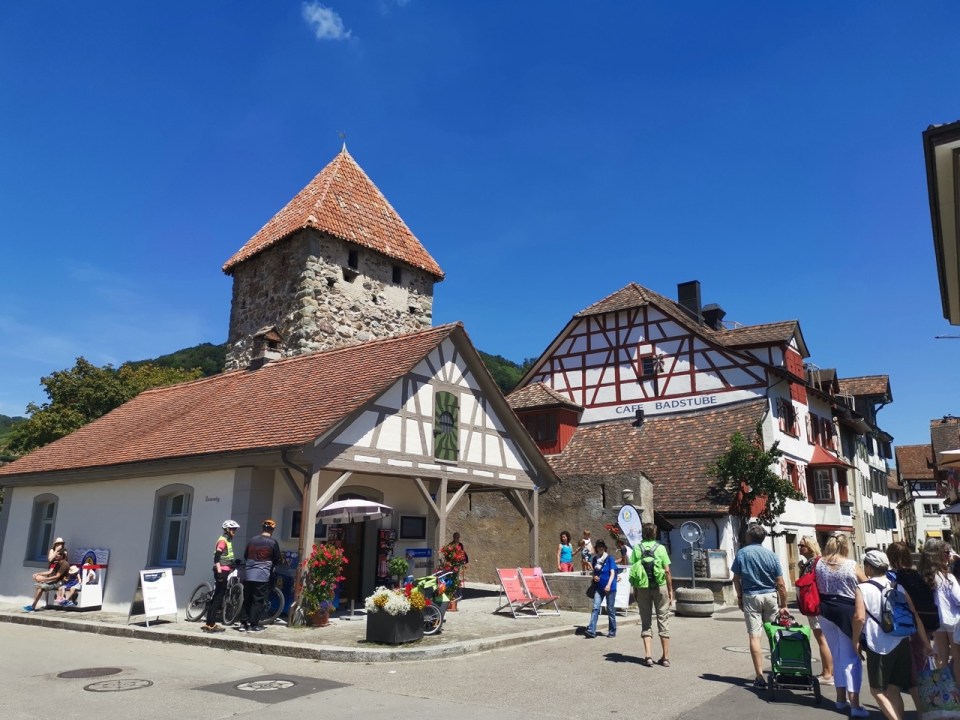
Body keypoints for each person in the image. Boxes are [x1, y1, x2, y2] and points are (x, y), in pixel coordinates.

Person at [852, 550, 933, 720]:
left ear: (868, 567)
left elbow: (859, 617)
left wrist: (855, 641)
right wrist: (926, 643)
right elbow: (914, 615)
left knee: (876, 690)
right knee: (893, 688)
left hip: (879, 644)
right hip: (901, 641)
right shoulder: (897, 585)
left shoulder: (863, 588)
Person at [815, 533, 869, 716]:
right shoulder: (851, 565)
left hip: (825, 611)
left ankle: (840, 699)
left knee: (837, 655)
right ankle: (855, 705)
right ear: (846, 546)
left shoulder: (820, 563)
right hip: (847, 611)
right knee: (852, 658)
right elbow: (867, 586)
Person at [884, 542, 939, 715]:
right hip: (928, 623)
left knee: (914, 673)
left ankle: (924, 711)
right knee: (923, 666)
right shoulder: (918, 575)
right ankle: (931, 707)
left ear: (891, 558)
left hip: (909, 627)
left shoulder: (894, 578)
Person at [731, 523, 788, 689]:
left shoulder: (742, 554)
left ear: (749, 536)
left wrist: (740, 597)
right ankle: (777, 671)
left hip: (751, 596)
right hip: (770, 595)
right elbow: (781, 583)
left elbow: (736, 578)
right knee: (773, 634)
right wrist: (783, 604)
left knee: (755, 636)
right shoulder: (771, 555)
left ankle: (759, 676)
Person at [630, 522, 674, 667]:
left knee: (646, 621)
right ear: (655, 534)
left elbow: (635, 571)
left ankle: (648, 656)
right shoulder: (661, 548)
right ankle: (665, 658)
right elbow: (667, 570)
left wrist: (635, 589)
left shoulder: (637, 548)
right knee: (663, 620)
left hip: (642, 587)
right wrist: (670, 590)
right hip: (660, 587)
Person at [919, 538, 960, 686]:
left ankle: (945, 689)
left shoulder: (928, 575)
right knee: (957, 657)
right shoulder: (947, 577)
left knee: (942, 656)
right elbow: (958, 599)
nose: (950, 555)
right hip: (953, 620)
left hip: (937, 620)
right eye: (948, 553)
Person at [797, 535, 834, 684]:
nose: (799, 547)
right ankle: (828, 671)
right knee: (824, 639)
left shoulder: (814, 563)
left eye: (802, 545)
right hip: (820, 604)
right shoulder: (818, 562)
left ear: (810, 547)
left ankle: (827, 674)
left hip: (815, 605)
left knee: (822, 639)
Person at [239, 519, 281, 632]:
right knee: (258, 600)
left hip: (248, 574)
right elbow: (277, 559)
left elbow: (245, 555)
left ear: (262, 528)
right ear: (272, 530)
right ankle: (253, 625)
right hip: (262, 575)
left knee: (247, 598)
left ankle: (243, 624)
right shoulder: (273, 542)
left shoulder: (252, 540)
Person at [202, 519, 239, 633]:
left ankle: (209, 623)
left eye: (235, 529)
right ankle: (211, 624)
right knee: (218, 597)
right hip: (221, 571)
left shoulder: (227, 540)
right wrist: (219, 570)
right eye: (233, 529)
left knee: (216, 597)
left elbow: (225, 556)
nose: (234, 531)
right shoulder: (223, 540)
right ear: (227, 529)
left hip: (224, 569)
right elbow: (217, 556)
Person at [585, 539, 618, 639]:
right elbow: (595, 572)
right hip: (599, 587)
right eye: (599, 546)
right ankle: (592, 630)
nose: (601, 548)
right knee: (595, 608)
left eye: (602, 546)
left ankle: (612, 630)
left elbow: (612, 573)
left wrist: (608, 585)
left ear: (605, 547)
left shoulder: (610, 558)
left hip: (610, 587)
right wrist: (594, 576)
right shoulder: (595, 559)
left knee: (610, 609)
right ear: (596, 548)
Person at [24, 544, 69, 612]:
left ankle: (33, 606)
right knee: (39, 587)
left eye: (58, 554)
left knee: (41, 586)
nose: (56, 555)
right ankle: (33, 606)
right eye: (56, 553)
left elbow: (57, 577)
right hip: (54, 581)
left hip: (60, 583)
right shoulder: (56, 562)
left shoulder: (64, 564)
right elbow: (49, 572)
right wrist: (38, 573)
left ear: (62, 556)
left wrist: (44, 579)